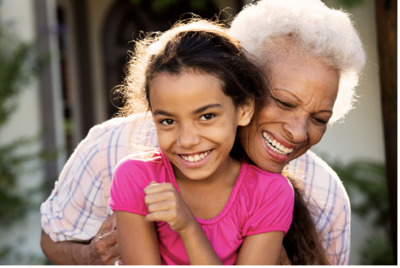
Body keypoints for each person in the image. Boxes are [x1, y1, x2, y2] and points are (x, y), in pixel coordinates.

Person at [40, 0, 365, 265]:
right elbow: (53, 239)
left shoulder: (326, 196)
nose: (297, 132)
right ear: (244, 89)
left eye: (319, 117)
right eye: (283, 102)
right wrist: (89, 256)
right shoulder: (114, 149)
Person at [108, 21, 294, 265]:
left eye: (206, 117)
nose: (187, 140)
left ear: (244, 110)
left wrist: (188, 227)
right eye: (167, 121)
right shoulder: (137, 178)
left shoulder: (269, 192)